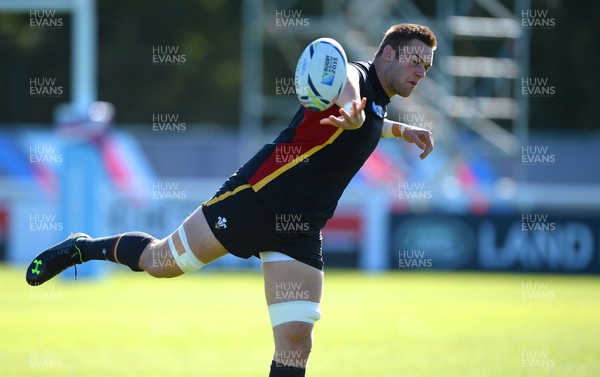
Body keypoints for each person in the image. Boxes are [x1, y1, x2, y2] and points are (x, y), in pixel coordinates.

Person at [26, 23, 437, 377]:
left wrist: (402, 131)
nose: (421, 72)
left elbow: (372, 121)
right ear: (387, 53)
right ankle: (83, 248)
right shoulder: (351, 77)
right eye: (415, 61)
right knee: (160, 263)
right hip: (253, 199)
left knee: (296, 340)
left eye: (427, 66)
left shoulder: (379, 104)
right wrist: (354, 112)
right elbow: (348, 90)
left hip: (300, 228)